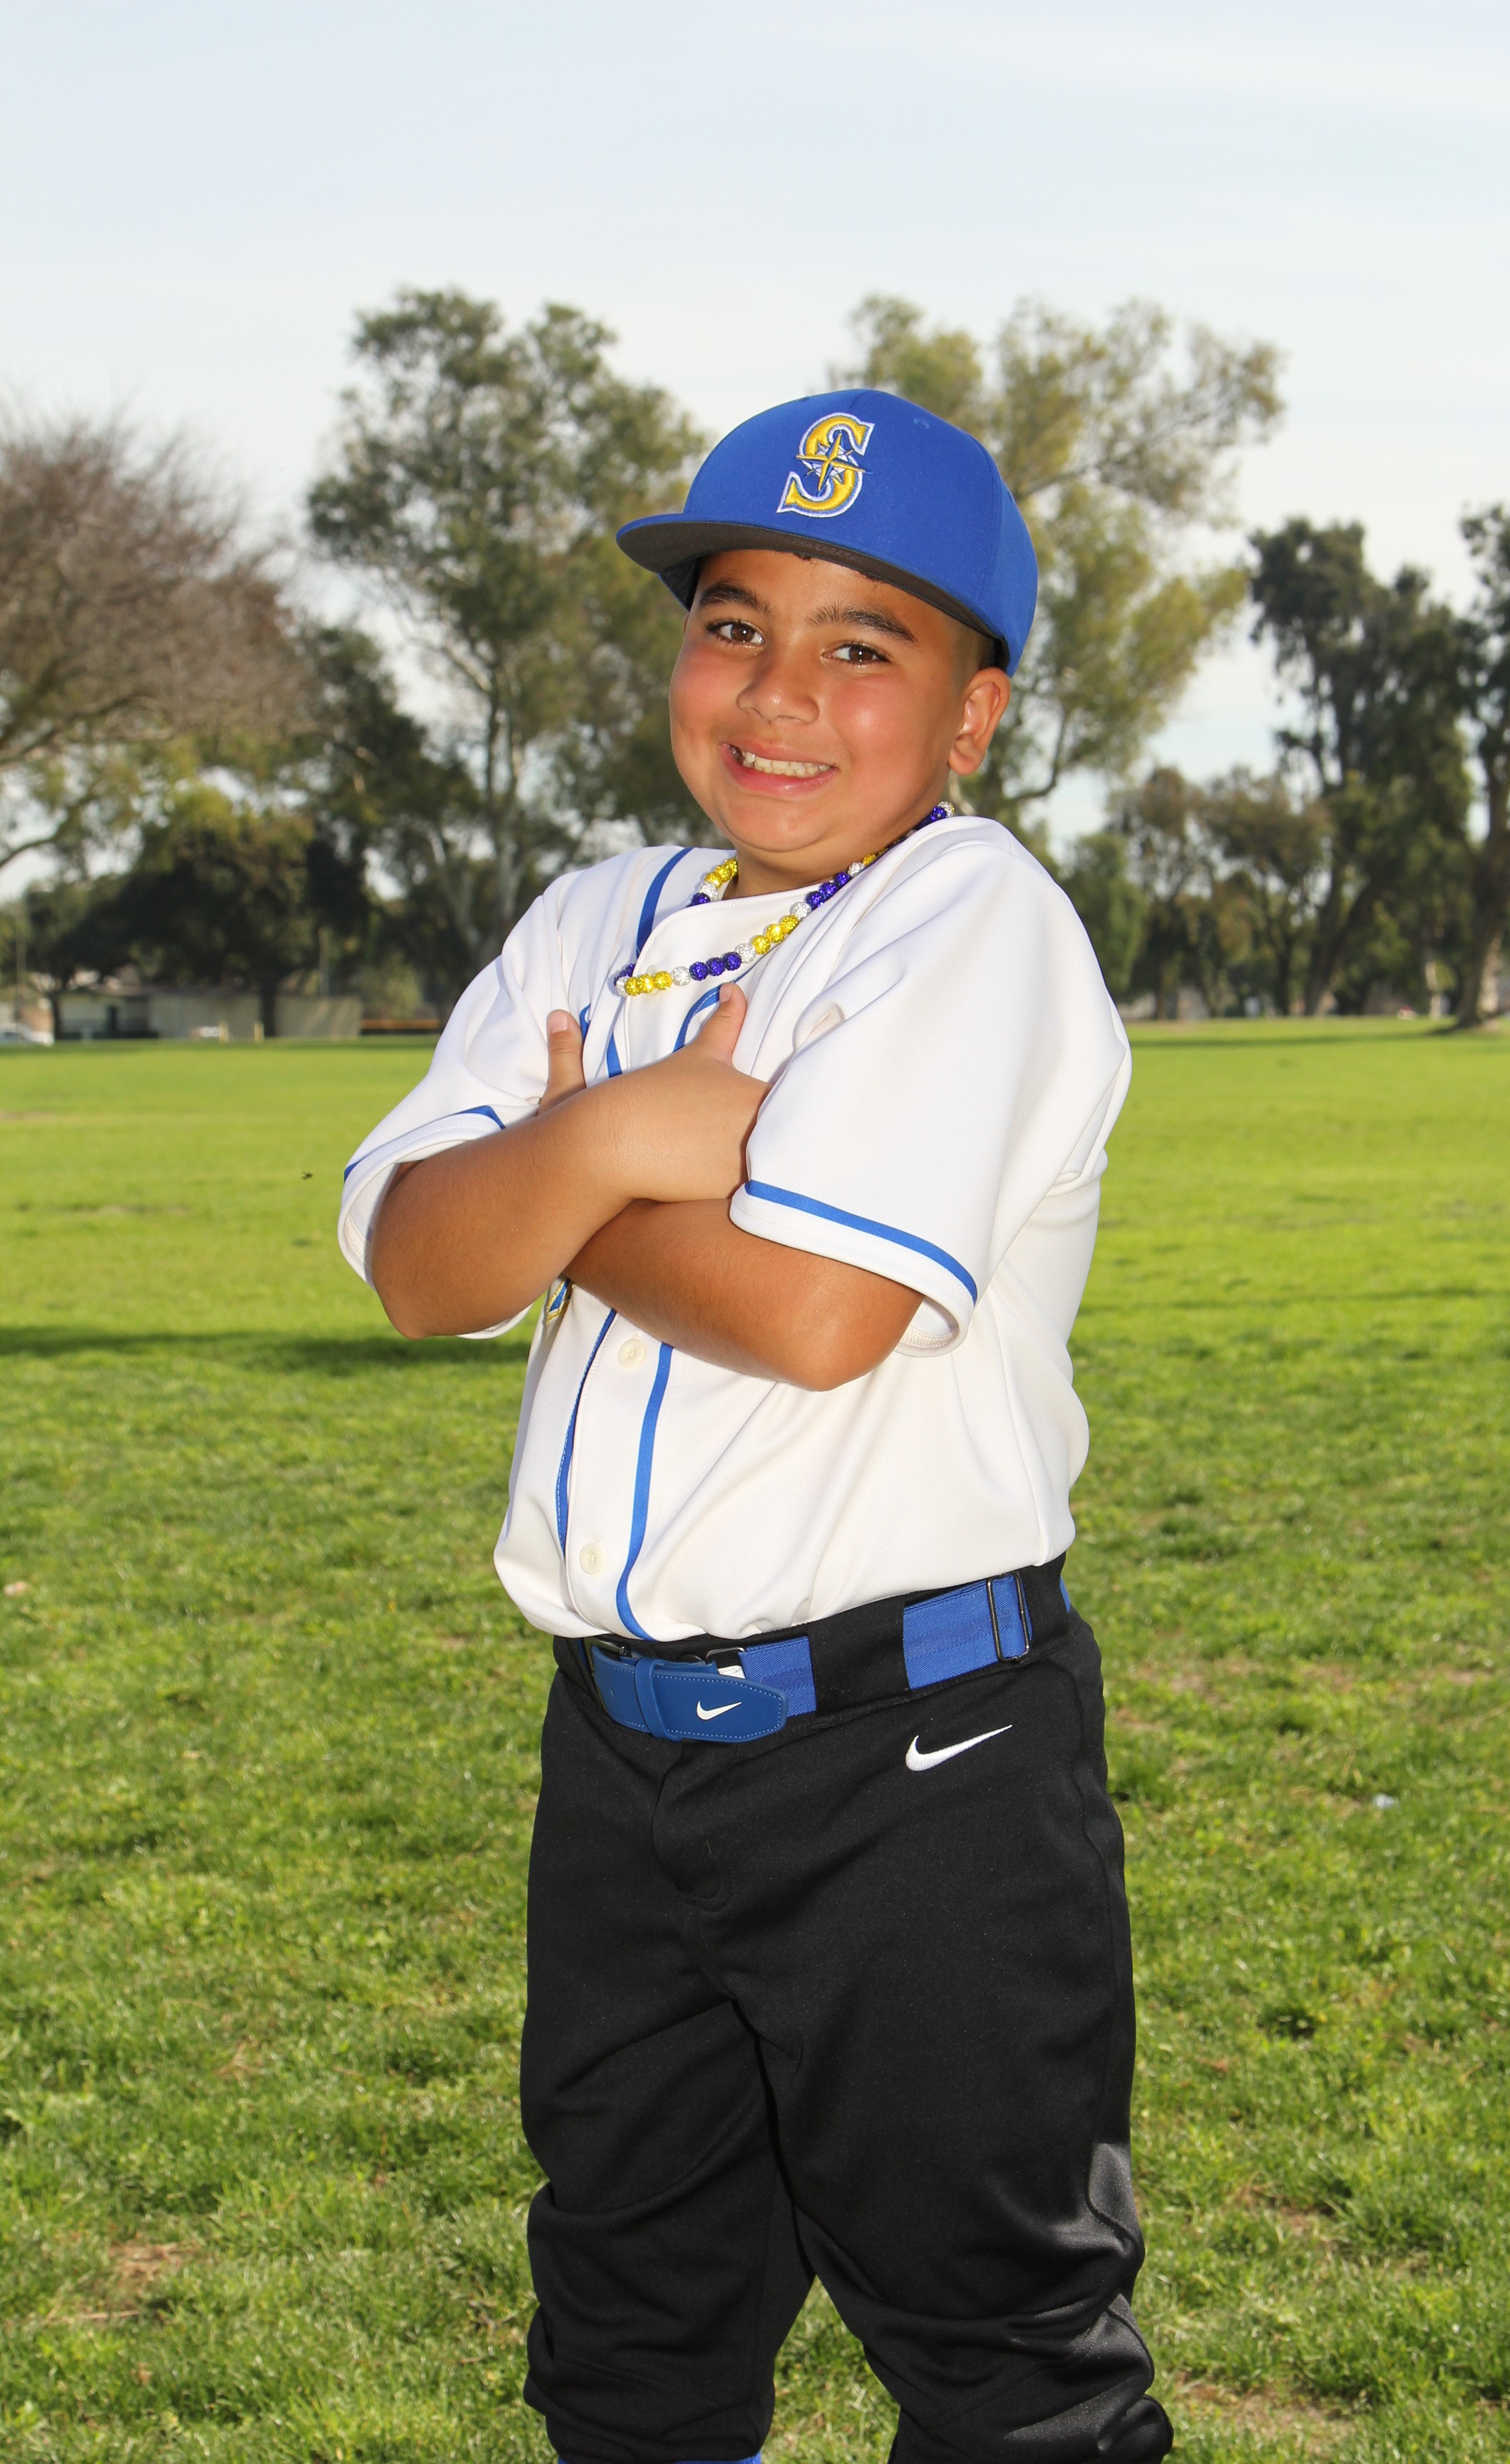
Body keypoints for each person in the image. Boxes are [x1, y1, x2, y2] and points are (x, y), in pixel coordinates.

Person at [337, 388, 1173, 2464]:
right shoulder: (588, 921)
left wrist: (549, 1182)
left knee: (1001, 2360)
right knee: (632, 2339)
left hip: (918, 1763)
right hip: (623, 1759)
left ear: (976, 714)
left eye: (862, 645)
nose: (781, 692)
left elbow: (815, 1316)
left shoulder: (973, 917)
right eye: (734, 624)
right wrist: (624, 1135)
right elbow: (419, 1269)